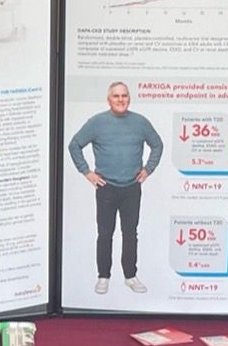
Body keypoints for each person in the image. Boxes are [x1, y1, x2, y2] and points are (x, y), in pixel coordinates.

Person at [68, 82, 163, 295]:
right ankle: (103, 276)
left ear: (129, 98)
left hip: (131, 188)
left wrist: (148, 169)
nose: (121, 100)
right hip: (106, 188)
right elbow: (74, 145)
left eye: (124, 96)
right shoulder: (97, 123)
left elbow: (157, 144)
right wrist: (87, 172)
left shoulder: (140, 123)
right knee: (105, 234)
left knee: (130, 234)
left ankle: (130, 276)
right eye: (116, 96)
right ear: (108, 99)